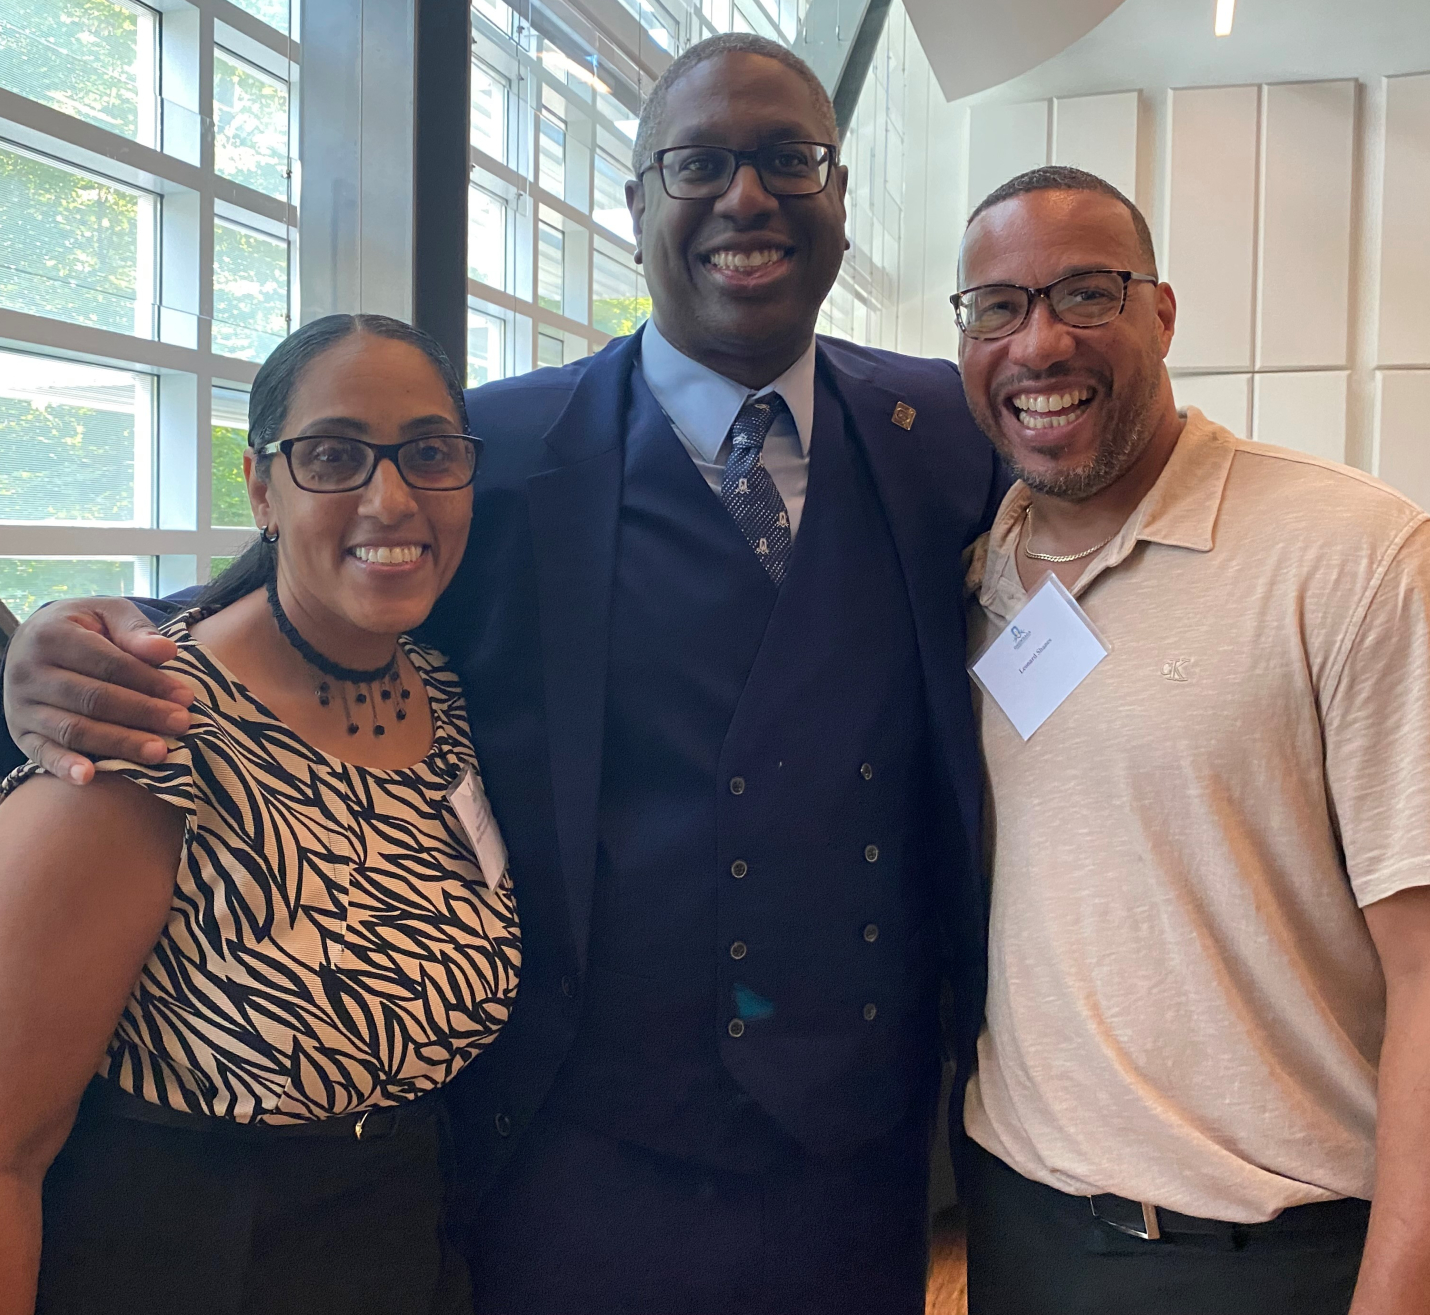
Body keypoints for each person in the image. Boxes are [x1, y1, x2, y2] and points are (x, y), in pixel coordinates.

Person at [0, 35, 1004, 1315]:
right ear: (636, 205)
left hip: (852, 1156)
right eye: (697, 163)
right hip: (570, 1156)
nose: (745, 198)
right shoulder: (491, 450)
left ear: (840, 195)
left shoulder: (949, 438)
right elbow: (295, 583)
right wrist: (60, 639)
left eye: (785, 159)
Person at [952, 165, 1430, 1315]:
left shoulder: (1352, 555)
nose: (1037, 344)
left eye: (1084, 294)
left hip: (1271, 1255)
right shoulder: (975, 560)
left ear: (1161, 313)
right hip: (1016, 1227)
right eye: (996, 307)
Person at [0, 314, 520, 1315]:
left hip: (405, 1243)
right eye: (332, 454)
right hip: (189, 1263)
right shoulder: (144, 728)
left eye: (427, 453)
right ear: (260, 488)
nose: (389, 497)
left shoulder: (447, 699)